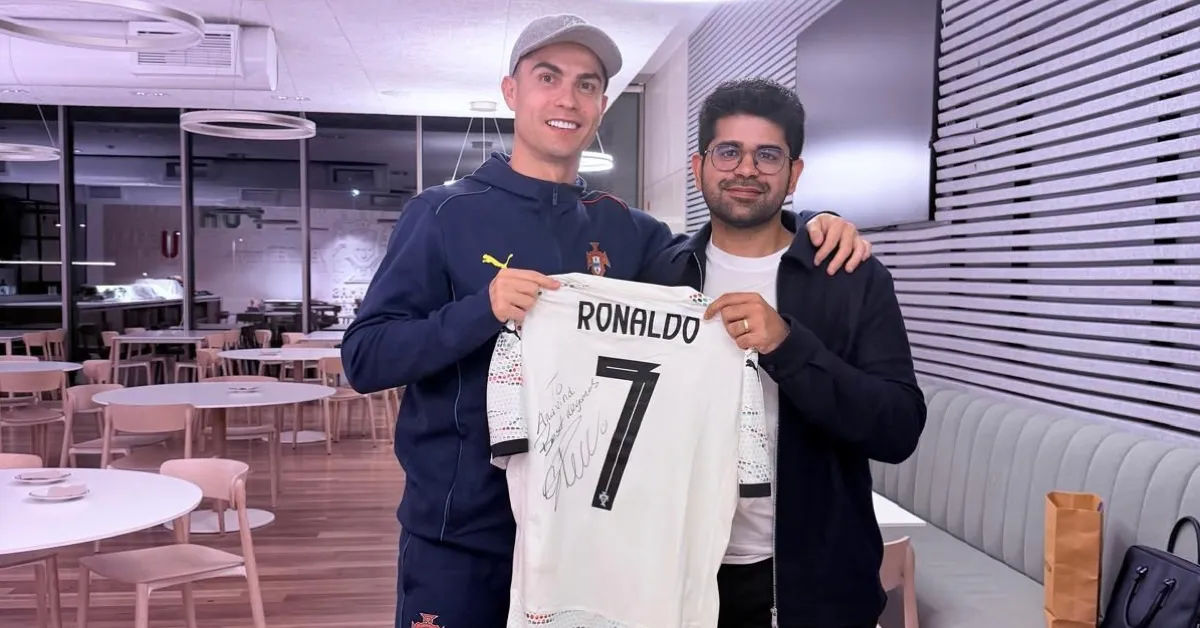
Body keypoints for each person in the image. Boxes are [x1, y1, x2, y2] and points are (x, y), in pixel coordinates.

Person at [341, 15, 874, 628]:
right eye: (548, 77)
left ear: (600, 105)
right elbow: (366, 358)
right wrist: (480, 310)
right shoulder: (439, 214)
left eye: (588, 84)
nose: (568, 98)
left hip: (591, 541)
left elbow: (730, 242)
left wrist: (815, 223)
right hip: (464, 536)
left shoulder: (633, 233)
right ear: (512, 91)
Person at [637, 78, 927, 628]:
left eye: (767, 155)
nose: (746, 170)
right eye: (729, 151)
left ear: (793, 174)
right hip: (679, 574)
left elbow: (899, 429)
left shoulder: (850, 275)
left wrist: (788, 347)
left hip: (815, 584)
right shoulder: (660, 275)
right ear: (700, 166)